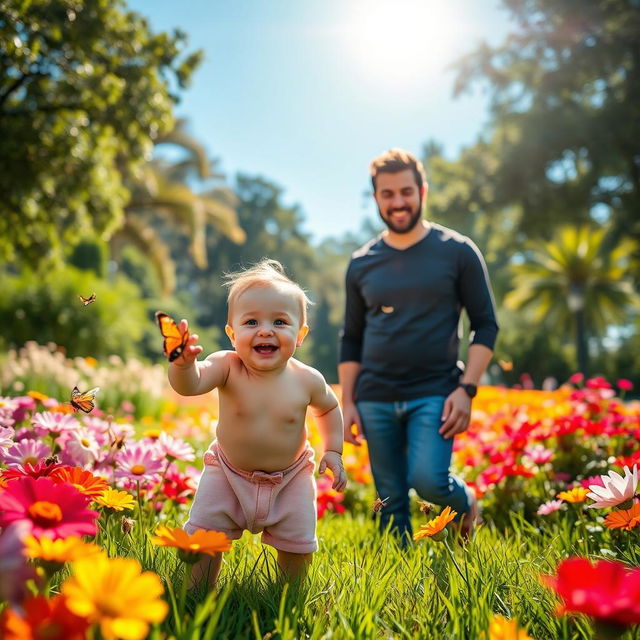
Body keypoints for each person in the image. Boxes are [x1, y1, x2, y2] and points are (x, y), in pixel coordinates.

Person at [339, 148, 498, 543]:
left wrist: (467, 390)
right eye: (387, 194)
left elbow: (485, 325)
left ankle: (468, 504)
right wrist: (348, 402)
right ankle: (399, 588)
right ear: (376, 198)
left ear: (422, 190)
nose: (398, 202)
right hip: (375, 395)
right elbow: (352, 337)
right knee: (389, 500)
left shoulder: (458, 251)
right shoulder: (361, 262)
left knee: (431, 483)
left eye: (406, 191)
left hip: (436, 392)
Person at [168, 259, 346, 586]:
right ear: (232, 334)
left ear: (301, 334)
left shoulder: (307, 379)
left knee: (297, 545)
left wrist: (333, 449)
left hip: (290, 477)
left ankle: (287, 596)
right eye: (251, 322)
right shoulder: (226, 366)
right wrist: (182, 365)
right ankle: (197, 593)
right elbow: (190, 385)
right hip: (228, 472)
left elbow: (329, 408)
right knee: (205, 539)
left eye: (280, 321)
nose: (265, 330)